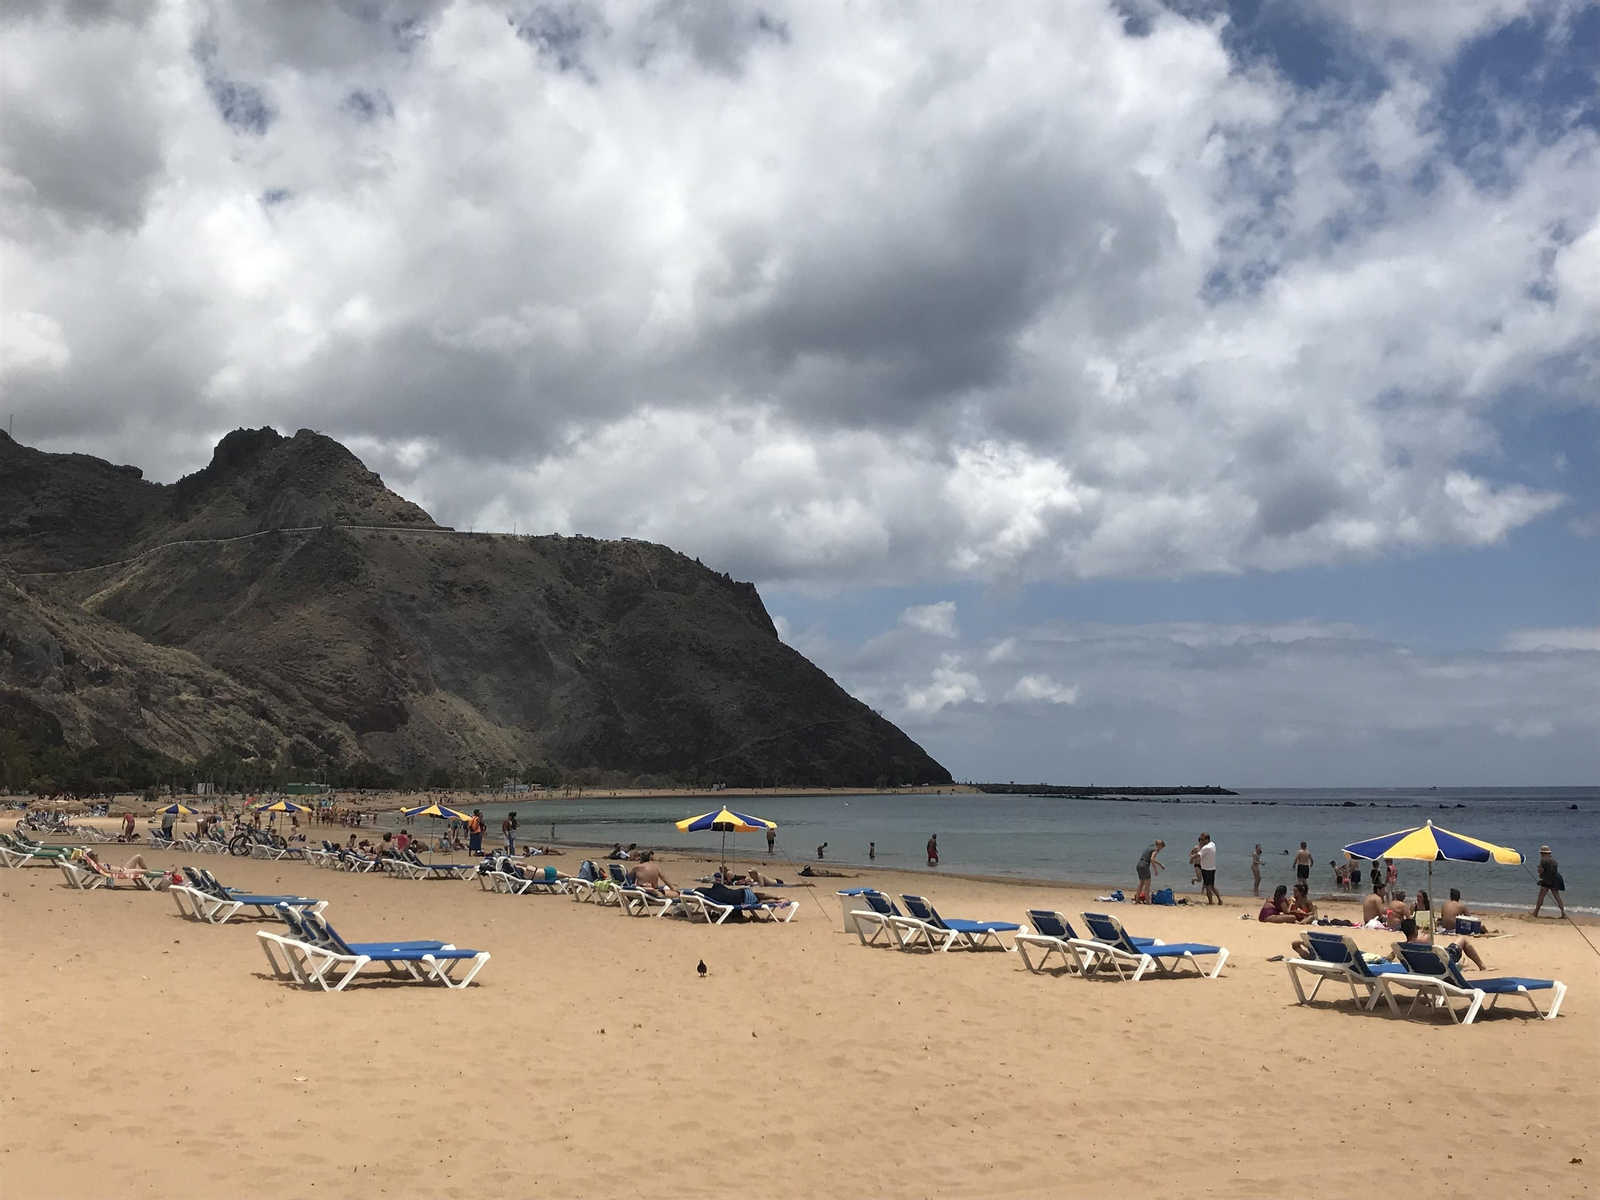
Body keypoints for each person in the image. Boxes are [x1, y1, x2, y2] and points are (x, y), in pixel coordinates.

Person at [1393, 916, 1487, 971]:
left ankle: (1462, 963)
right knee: (1462, 939)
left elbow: (1390, 956)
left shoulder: (1401, 947)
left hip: (1421, 970)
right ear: (1414, 930)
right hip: (1442, 963)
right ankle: (1482, 966)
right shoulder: (1426, 938)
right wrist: (1421, 931)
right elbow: (1427, 938)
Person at [1533, 846, 1566, 918]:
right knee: (1557, 897)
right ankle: (1563, 914)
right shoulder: (1554, 860)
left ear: (1543, 853)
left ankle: (1536, 912)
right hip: (1556, 879)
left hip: (1547, 880)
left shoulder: (1543, 860)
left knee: (1541, 896)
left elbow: (1541, 870)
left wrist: (1540, 875)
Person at [1198, 832, 1219, 904]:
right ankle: (1219, 900)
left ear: (1207, 840)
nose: (1201, 841)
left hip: (1206, 869)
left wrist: (1191, 858)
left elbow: (1198, 855)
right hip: (1212, 868)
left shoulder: (1206, 847)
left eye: (1203, 839)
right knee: (1212, 885)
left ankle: (1210, 902)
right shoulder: (1212, 844)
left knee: (1208, 887)